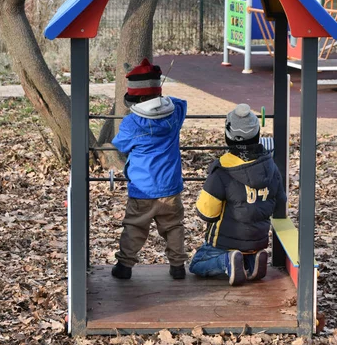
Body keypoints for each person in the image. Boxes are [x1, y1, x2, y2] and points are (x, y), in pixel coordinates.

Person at [189, 103, 286, 286]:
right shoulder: (270, 167)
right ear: (257, 134)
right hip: (257, 240)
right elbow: (280, 204)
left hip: (224, 243)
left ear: (228, 136)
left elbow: (206, 213)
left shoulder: (222, 171)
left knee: (197, 264)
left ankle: (226, 262)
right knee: (243, 254)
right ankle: (251, 262)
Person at [111, 58, 188, 280]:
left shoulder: (131, 123)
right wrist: (162, 97)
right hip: (170, 187)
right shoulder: (175, 114)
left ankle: (125, 266)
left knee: (135, 227)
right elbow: (180, 102)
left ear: (138, 100)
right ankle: (177, 266)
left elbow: (121, 144)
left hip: (142, 189)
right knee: (173, 226)